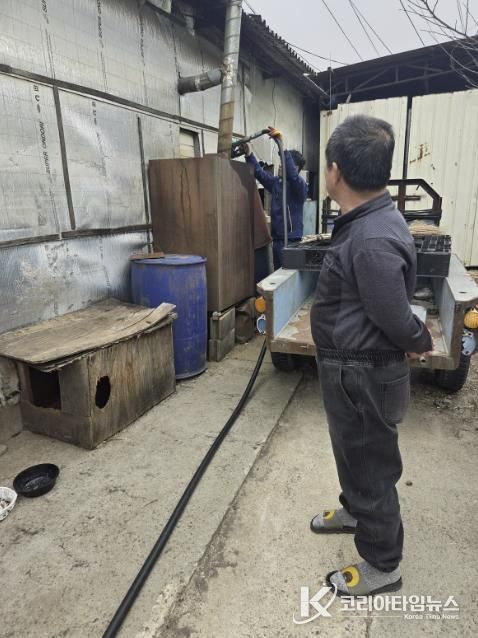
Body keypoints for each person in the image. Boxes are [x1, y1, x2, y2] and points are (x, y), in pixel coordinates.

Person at [310, 115, 433, 597]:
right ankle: (355, 510)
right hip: (350, 370)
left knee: (371, 466)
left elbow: (392, 313)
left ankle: (383, 563)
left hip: (363, 373)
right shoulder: (368, 222)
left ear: (335, 171)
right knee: (352, 451)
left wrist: (418, 340)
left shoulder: (372, 238)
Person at [242, 127, 307, 270]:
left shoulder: (299, 187)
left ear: (295, 168)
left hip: (291, 241)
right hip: (277, 240)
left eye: (283, 164)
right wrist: (249, 154)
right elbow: (259, 173)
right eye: (281, 163)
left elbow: (292, 175)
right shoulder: (277, 183)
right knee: (278, 275)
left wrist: (282, 146)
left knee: (288, 276)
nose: (280, 167)